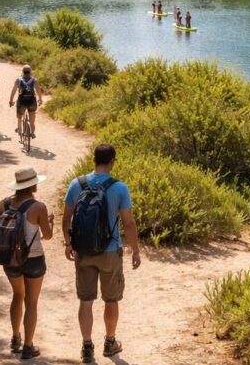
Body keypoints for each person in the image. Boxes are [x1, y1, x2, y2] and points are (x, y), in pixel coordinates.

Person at [63, 144, 141, 363]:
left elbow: (66, 217)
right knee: (111, 299)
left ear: (94, 159)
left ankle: (87, 347)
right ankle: (110, 342)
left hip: (84, 251)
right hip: (110, 251)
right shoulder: (119, 188)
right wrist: (135, 251)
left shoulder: (76, 184)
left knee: (86, 300)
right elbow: (129, 223)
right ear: (112, 161)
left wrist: (68, 243)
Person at [0, 167, 54, 360]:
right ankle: (28, 346)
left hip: (10, 258)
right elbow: (48, 235)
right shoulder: (38, 207)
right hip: (33, 258)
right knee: (32, 301)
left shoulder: (3, 204)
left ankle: (15, 338)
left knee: (17, 295)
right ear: (33, 185)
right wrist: (49, 223)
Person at [9, 65, 44, 137]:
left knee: (19, 116)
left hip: (21, 101)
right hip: (32, 101)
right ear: (30, 71)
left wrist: (11, 100)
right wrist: (40, 99)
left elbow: (14, 91)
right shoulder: (34, 80)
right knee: (32, 119)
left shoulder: (18, 80)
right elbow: (38, 90)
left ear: (22, 71)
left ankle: (19, 129)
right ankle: (32, 132)